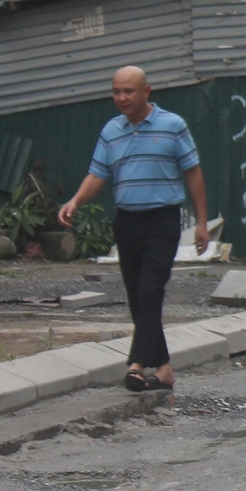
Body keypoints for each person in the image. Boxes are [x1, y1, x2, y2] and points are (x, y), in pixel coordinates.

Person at [58, 66, 208, 395]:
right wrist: (74, 202)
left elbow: (193, 173)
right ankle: (165, 370)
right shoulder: (111, 131)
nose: (122, 98)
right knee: (137, 298)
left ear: (146, 92)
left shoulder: (172, 126)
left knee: (150, 291)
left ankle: (137, 365)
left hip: (163, 220)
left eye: (128, 91)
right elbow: (97, 175)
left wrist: (201, 223)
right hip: (127, 221)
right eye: (116, 92)